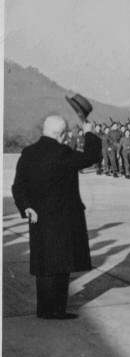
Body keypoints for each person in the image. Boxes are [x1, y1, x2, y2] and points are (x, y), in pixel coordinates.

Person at [11, 115, 102, 319]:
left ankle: (44, 309)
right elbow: (91, 157)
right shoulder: (62, 153)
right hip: (63, 218)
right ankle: (57, 310)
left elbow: (18, 186)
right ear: (61, 135)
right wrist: (90, 133)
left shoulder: (28, 153)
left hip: (38, 218)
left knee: (44, 264)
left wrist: (26, 207)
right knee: (61, 265)